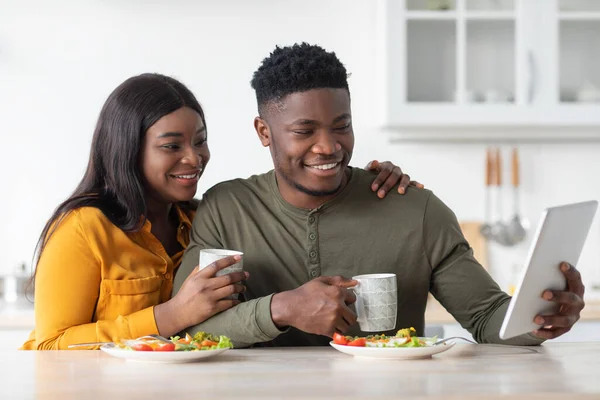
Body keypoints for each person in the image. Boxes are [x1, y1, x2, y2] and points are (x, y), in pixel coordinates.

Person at [173, 43, 585, 347]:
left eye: (341, 126)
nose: (328, 146)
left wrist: (539, 319)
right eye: (305, 132)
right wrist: (279, 308)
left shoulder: (415, 209)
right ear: (264, 132)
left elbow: (485, 316)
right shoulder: (226, 209)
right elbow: (189, 329)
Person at [21, 73, 417, 350]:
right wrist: (169, 316)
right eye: (172, 146)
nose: (194, 158)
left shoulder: (201, 218)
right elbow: (51, 344)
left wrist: (364, 183)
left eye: (200, 140)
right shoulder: (82, 229)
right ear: (128, 149)